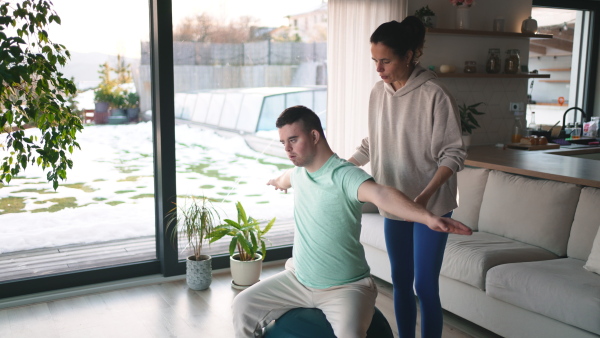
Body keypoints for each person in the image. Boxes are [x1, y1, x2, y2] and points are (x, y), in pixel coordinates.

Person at [232, 105, 471, 338]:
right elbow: (284, 179)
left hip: (345, 288)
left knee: (350, 334)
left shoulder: (345, 175)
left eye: (293, 140)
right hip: (298, 280)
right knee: (242, 305)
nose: (287, 149)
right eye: (283, 143)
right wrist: (275, 181)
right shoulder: (298, 174)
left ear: (314, 135)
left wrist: (427, 217)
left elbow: (382, 194)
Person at [347, 17, 468, 338]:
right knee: (400, 281)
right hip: (395, 201)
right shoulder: (378, 93)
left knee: (425, 285)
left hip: (431, 205)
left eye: (385, 60)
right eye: (374, 60)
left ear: (409, 56)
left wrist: (423, 200)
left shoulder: (435, 94)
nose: (378, 68)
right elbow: (373, 141)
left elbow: (453, 155)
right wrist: (343, 168)